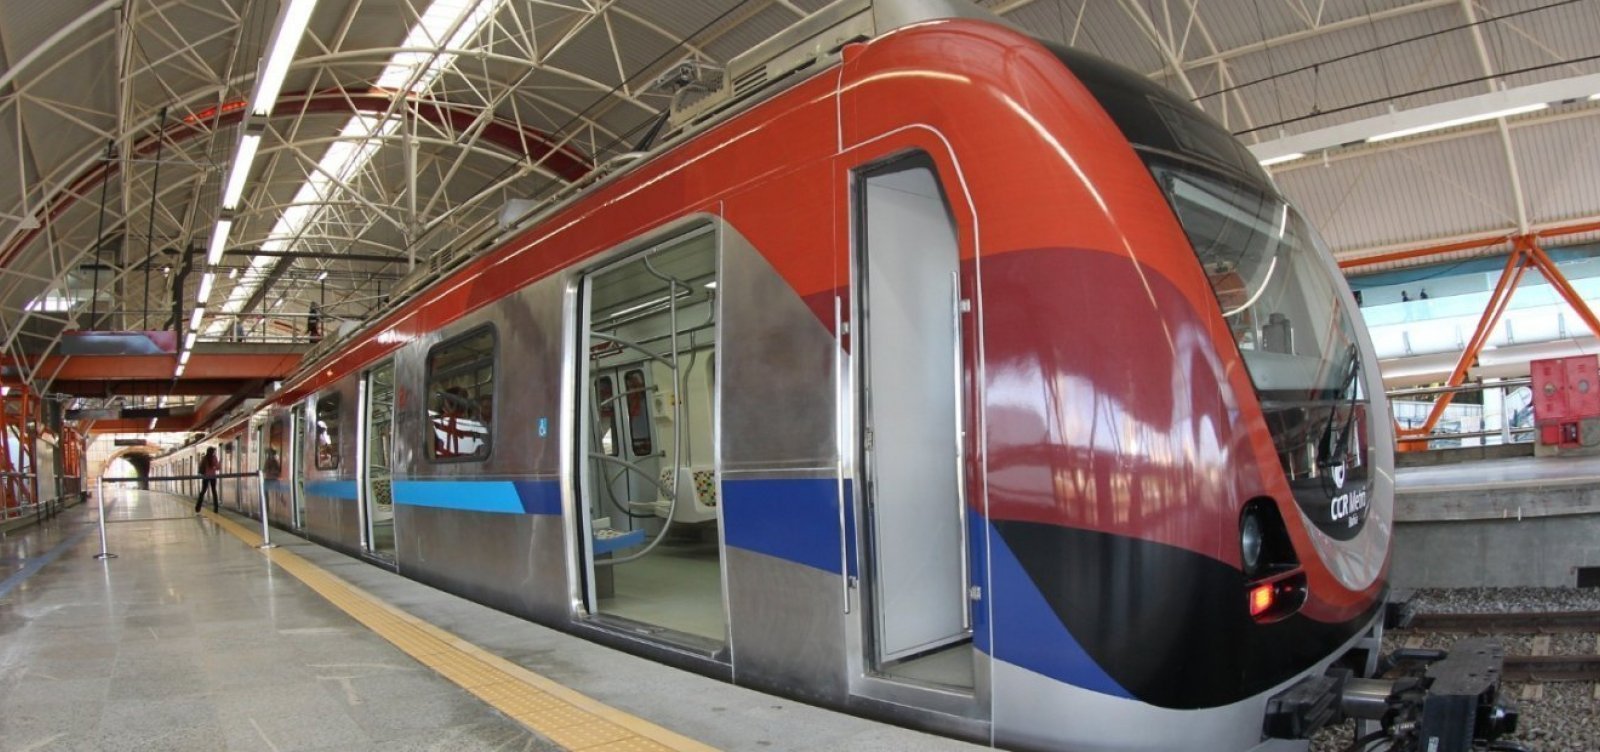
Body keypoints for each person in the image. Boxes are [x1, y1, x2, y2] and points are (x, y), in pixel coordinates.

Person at [195, 446, 220, 514]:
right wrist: (219, 463)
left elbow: (201, 467)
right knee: (214, 492)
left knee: (203, 492)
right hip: (213, 477)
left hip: (205, 477)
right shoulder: (214, 458)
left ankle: (198, 507)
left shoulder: (204, 458)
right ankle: (216, 509)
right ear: (212, 452)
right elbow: (218, 468)